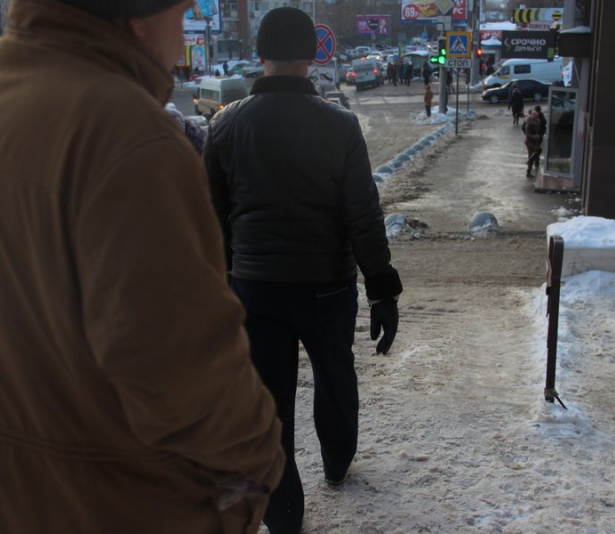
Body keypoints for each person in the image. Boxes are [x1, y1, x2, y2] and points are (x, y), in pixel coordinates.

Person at [0, 0, 284, 532]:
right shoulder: (128, 135)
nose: (189, 14)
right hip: (121, 501)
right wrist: (258, 465)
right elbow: (183, 368)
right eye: (180, 6)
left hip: (5, 492)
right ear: (138, 15)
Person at [203, 7, 403, 534]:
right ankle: (336, 463)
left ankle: (284, 514)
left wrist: (222, 290)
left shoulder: (225, 126)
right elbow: (363, 214)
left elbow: (210, 222)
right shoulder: (340, 126)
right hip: (327, 286)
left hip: (255, 288)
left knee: (269, 401)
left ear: (260, 56)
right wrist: (381, 288)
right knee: (335, 377)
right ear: (314, 56)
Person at [522, 109, 543, 178]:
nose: (537, 117)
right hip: (529, 142)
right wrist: (534, 136)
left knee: (536, 151)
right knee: (534, 152)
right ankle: (528, 170)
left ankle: (529, 165)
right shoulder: (529, 124)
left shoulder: (536, 122)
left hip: (534, 141)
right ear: (533, 117)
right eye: (536, 116)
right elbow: (527, 134)